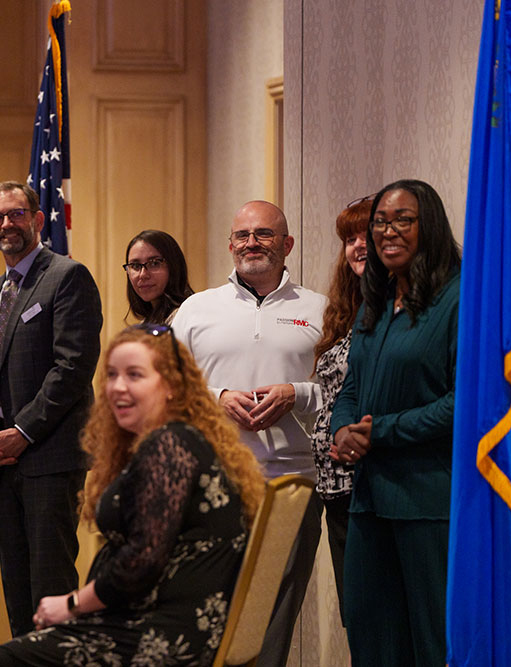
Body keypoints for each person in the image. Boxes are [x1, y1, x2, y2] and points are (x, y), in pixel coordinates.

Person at [0, 324, 265, 666]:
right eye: (112, 375)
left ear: (171, 385)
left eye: (134, 375)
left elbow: (140, 562)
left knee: (1, 661)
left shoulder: (169, 445)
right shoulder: (181, 440)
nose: (117, 387)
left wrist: (71, 604)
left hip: (164, 636)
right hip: (162, 624)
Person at [171, 199, 327, 667]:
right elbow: (166, 389)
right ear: (230, 244)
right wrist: (217, 397)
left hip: (293, 485)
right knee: (207, 614)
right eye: (242, 235)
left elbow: (346, 393)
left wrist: (297, 393)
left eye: (264, 234)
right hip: (212, 484)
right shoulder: (196, 310)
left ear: (287, 244)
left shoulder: (321, 309)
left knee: (274, 617)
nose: (252, 243)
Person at [329, 179, 461, 665]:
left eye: (403, 220)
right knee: (371, 640)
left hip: (427, 502)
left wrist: (379, 432)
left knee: (432, 644)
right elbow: (352, 385)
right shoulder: (376, 301)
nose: (388, 231)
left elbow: (464, 403)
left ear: (431, 226)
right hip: (368, 501)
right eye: (380, 222)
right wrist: (342, 428)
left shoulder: (460, 298)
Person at [0, 181, 103, 637]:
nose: (7, 224)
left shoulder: (67, 276)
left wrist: (22, 432)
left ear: (38, 219)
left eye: (16, 214)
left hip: (50, 459)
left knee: (50, 589)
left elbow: (73, 368)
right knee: (16, 590)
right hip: (4, 466)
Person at [309, 195, 371, 627]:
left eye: (366, 234)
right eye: (350, 238)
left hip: (372, 482)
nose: (358, 245)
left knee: (377, 619)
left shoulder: (398, 312)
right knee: (357, 618)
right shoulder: (348, 312)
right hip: (335, 487)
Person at [123, 229, 194, 324]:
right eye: (135, 266)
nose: (143, 274)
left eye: (154, 263)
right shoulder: (146, 324)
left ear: (174, 266)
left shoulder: (189, 317)